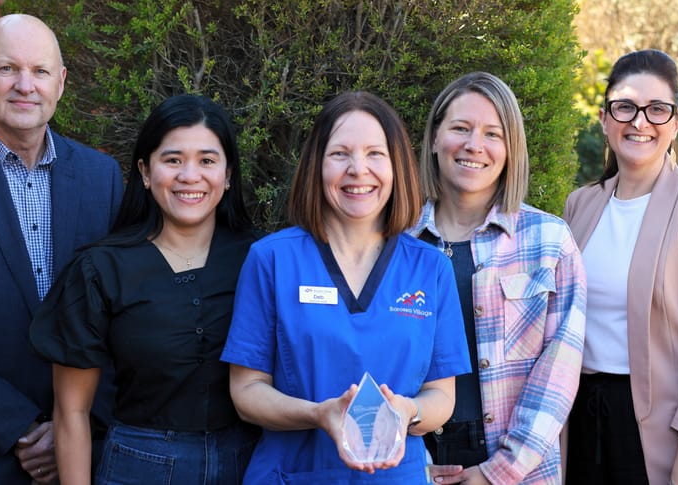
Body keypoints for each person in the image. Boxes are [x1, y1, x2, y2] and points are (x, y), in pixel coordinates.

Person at [221, 91, 471, 483]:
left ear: (397, 166)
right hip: (292, 473)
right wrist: (318, 414)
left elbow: (442, 396)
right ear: (316, 165)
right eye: (340, 154)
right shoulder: (271, 260)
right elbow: (247, 393)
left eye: (375, 154)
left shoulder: (431, 268)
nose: (358, 169)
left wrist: (408, 411)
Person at [29, 94, 261, 484]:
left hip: (247, 464)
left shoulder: (261, 259)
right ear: (145, 171)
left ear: (228, 174)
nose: (190, 176)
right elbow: (72, 412)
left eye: (207, 161)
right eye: (173, 160)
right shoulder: (101, 268)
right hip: (139, 465)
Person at [0, 14, 123, 484]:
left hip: (87, 450)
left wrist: (77, 425)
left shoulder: (101, 179)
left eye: (40, 71)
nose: (25, 86)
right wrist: (23, 430)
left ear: (60, 83)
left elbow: (121, 319)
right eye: (7, 68)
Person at [563, 49, 678, 485]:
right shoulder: (579, 205)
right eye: (625, 107)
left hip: (672, 440)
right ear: (604, 118)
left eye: (657, 109)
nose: (640, 122)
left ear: (676, 122)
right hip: (584, 427)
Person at [408, 71, 586, 484]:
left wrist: (498, 472)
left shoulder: (549, 240)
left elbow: (559, 369)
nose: (475, 145)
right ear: (434, 138)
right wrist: (409, 464)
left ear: (511, 150)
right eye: (460, 128)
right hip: (413, 457)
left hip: (518, 468)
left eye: (493, 134)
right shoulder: (396, 239)